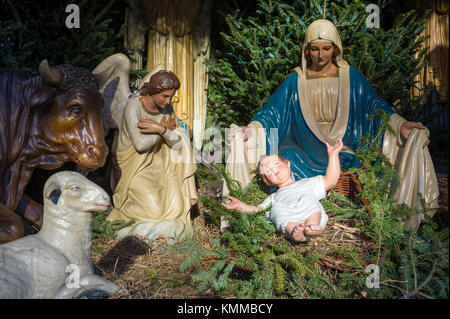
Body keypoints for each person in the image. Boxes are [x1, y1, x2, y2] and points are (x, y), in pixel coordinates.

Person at [226, 19, 439, 229]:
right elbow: (272, 113)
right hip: (304, 149)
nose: (320, 56)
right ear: (306, 50)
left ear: (335, 48)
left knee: (372, 159)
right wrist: (252, 130)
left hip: (345, 146)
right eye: (314, 49)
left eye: (326, 48)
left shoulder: (350, 77)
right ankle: (294, 212)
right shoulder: (296, 81)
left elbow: (375, 106)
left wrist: (400, 125)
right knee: (284, 158)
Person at [106, 70, 198, 241]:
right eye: (164, 96)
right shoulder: (134, 106)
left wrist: (162, 130)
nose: (168, 101)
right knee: (154, 211)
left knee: (177, 207)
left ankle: (164, 232)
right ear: (153, 92)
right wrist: (162, 132)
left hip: (160, 163)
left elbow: (177, 143)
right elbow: (140, 145)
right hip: (135, 168)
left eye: (171, 96)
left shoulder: (166, 108)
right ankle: (131, 224)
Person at [223, 138, 343, 242]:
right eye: (268, 171)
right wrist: (240, 205)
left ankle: (312, 227)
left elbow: (330, 180)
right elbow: (258, 210)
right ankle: (295, 231)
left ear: (288, 164)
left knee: (309, 199)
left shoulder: (307, 183)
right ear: (268, 182)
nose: (274, 169)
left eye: (276, 163)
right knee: (275, 210)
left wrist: (333, 155)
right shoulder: (274, 197)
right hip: (291, 219)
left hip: (309, 214)